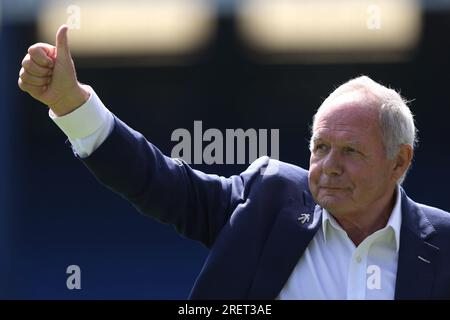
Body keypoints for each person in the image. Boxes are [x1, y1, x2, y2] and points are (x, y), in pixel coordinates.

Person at [18, 25, 450, 300]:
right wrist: (72, 106)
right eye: (320, 148)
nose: (329, 165)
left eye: (351, 151)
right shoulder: (269, 201)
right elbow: (158, 181)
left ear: (399, 162)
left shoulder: (443, 246)